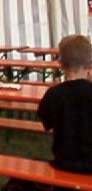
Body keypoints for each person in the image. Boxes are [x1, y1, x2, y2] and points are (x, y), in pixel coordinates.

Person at [37, 34, 92, 174]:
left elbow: (46, 122)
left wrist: (52, 90)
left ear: (60, 64)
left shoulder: (54, 93)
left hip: (63, 163)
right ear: (89, 64)